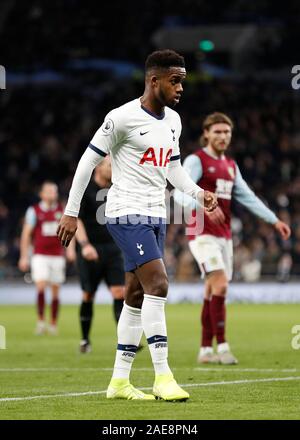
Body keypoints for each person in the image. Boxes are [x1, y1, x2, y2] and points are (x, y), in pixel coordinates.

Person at [57, 49, 217, 401]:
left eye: (183, 81)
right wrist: (70, 211)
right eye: (174, 80)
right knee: (158, 284)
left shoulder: (173, 120)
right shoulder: (121, 118)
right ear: (153, 80)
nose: (180, 87)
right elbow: (87, 163)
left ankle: (118, 382)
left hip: (156, 214)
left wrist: (197, 192)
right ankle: (163, 376)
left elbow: (172, 169)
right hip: (125, 213)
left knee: (134, 295)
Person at [174, 112, 291, 364]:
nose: (222, 136)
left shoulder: (230, 166)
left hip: (224, 236)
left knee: (212, 290)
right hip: (201, 233)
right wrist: (202, 201)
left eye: (226, 132)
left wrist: (274, 220)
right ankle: (223, 346)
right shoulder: (197, 161)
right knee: (221, 285)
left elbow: (248, 197)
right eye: (217, 131)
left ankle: (205, 350)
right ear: (206, 134)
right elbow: (178, 195)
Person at [73, 156, 125, 353]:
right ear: (99, 168)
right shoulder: (85, 189)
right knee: (88, 294)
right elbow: (76, 220)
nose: (114, 169)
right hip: (91, 250)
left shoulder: (117, 189)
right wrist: (85, 245)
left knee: (120, 292)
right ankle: (85, 339)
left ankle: (125, 341)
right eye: (111, 165)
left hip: (113, 249)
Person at [18, 181, 72, 335]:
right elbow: (26, 234)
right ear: (41, 194)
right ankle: (41, 321)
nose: (51, 194)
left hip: (57, 255)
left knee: (55, 291)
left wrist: (70, 250)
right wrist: (24, 256)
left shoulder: (62, 211)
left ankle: (53, 323)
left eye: (53, 191)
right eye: (48, 191)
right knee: (41, 287)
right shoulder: (34, 211)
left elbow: (70, 232)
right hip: (39, 255)